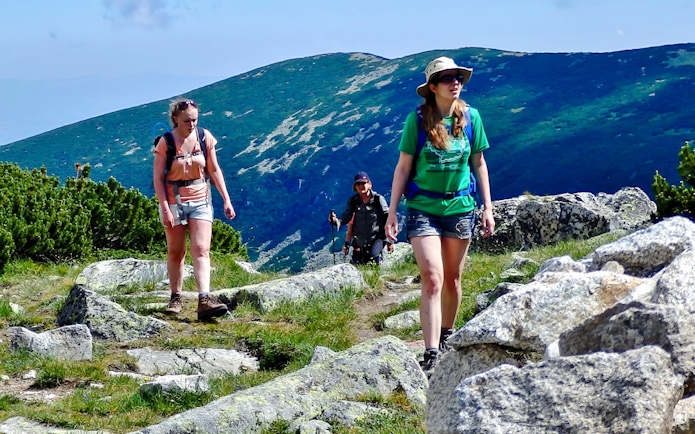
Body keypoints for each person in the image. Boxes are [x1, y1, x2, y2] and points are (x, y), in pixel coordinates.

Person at [384, 57, 495, 375]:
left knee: (453, 278)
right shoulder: (416, 121)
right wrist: (392, 212)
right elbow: (403, 166)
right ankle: (431, 352)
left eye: (457, 76)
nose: (454, 81)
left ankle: (447, 336)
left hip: (460, 208)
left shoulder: (471, 117)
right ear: (432, 87)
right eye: (446, 78)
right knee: (433, 277)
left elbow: (479, 163)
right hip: (423, 209)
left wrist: (487, 208)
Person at [153, 98, 236, 320]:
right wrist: (165, 209)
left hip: (201, 198)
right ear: (175, 120)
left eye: (195, 120)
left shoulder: (204, 137)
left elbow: (214, 169)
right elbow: (158, 179)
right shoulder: (166, 142)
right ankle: (176, 297)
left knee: (201, 249)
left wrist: (226, 199)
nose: (191, 124)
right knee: (176, 251)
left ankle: (204, 299)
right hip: (174, 201)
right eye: (187, 121)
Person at [329, 171, 393, 265]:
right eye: (358, 184)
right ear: (355, 187)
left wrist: (389, 240)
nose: (361, 186)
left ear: (369, 184)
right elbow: (346, 218)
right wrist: (335, 221)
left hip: (377, 238)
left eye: (363, 183)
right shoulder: (353, 201)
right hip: (360, 241)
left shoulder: (378, 199)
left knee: (373, 258)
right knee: (358, 265)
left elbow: (388, 218)